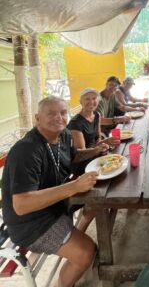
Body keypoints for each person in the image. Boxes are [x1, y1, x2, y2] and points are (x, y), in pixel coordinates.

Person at [2, 96, 98, 287]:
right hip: (30, 224)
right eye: (51, 113)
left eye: (63, 113)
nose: (59, 118)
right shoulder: (26, 151)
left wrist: (95, 151)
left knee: (97, 203)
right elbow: (22, 205)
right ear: (37, 118)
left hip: (55, 205)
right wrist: (73, 187)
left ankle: (69, 235)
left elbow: (74, 156)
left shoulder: (64, 135)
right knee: (86, 252)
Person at [67, 88, 120, 174]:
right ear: (81, 102)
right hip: (83, 164)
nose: (91, 102)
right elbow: (80, 154)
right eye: (87, 99)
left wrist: (106, 141)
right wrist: (97, 149)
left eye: (94, 98)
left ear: (98, 101)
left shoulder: (96, 115)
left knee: (119, 162)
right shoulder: (75, 123)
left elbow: (97, 140)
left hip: (96, 156)